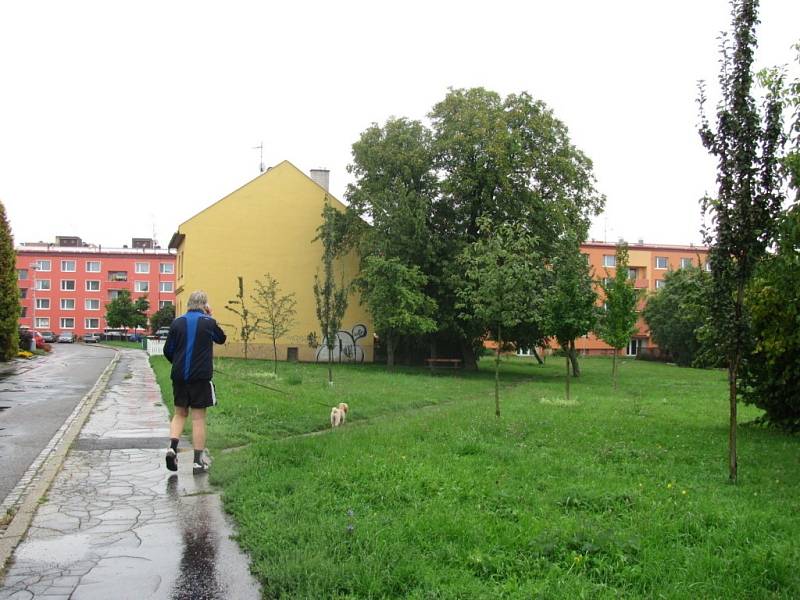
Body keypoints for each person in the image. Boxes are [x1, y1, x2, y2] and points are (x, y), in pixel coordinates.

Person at [163, 290, 226, 474]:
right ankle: (198, 462)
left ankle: (172, 448)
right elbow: (221, 339)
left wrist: (178, 363)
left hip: (179, 376)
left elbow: (168, 350)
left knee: (180, 413)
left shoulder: (177, 322)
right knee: (198, 418)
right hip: (200, 377)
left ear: (189, 304)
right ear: (204, 305)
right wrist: (210, 316)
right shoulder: (208, 322)